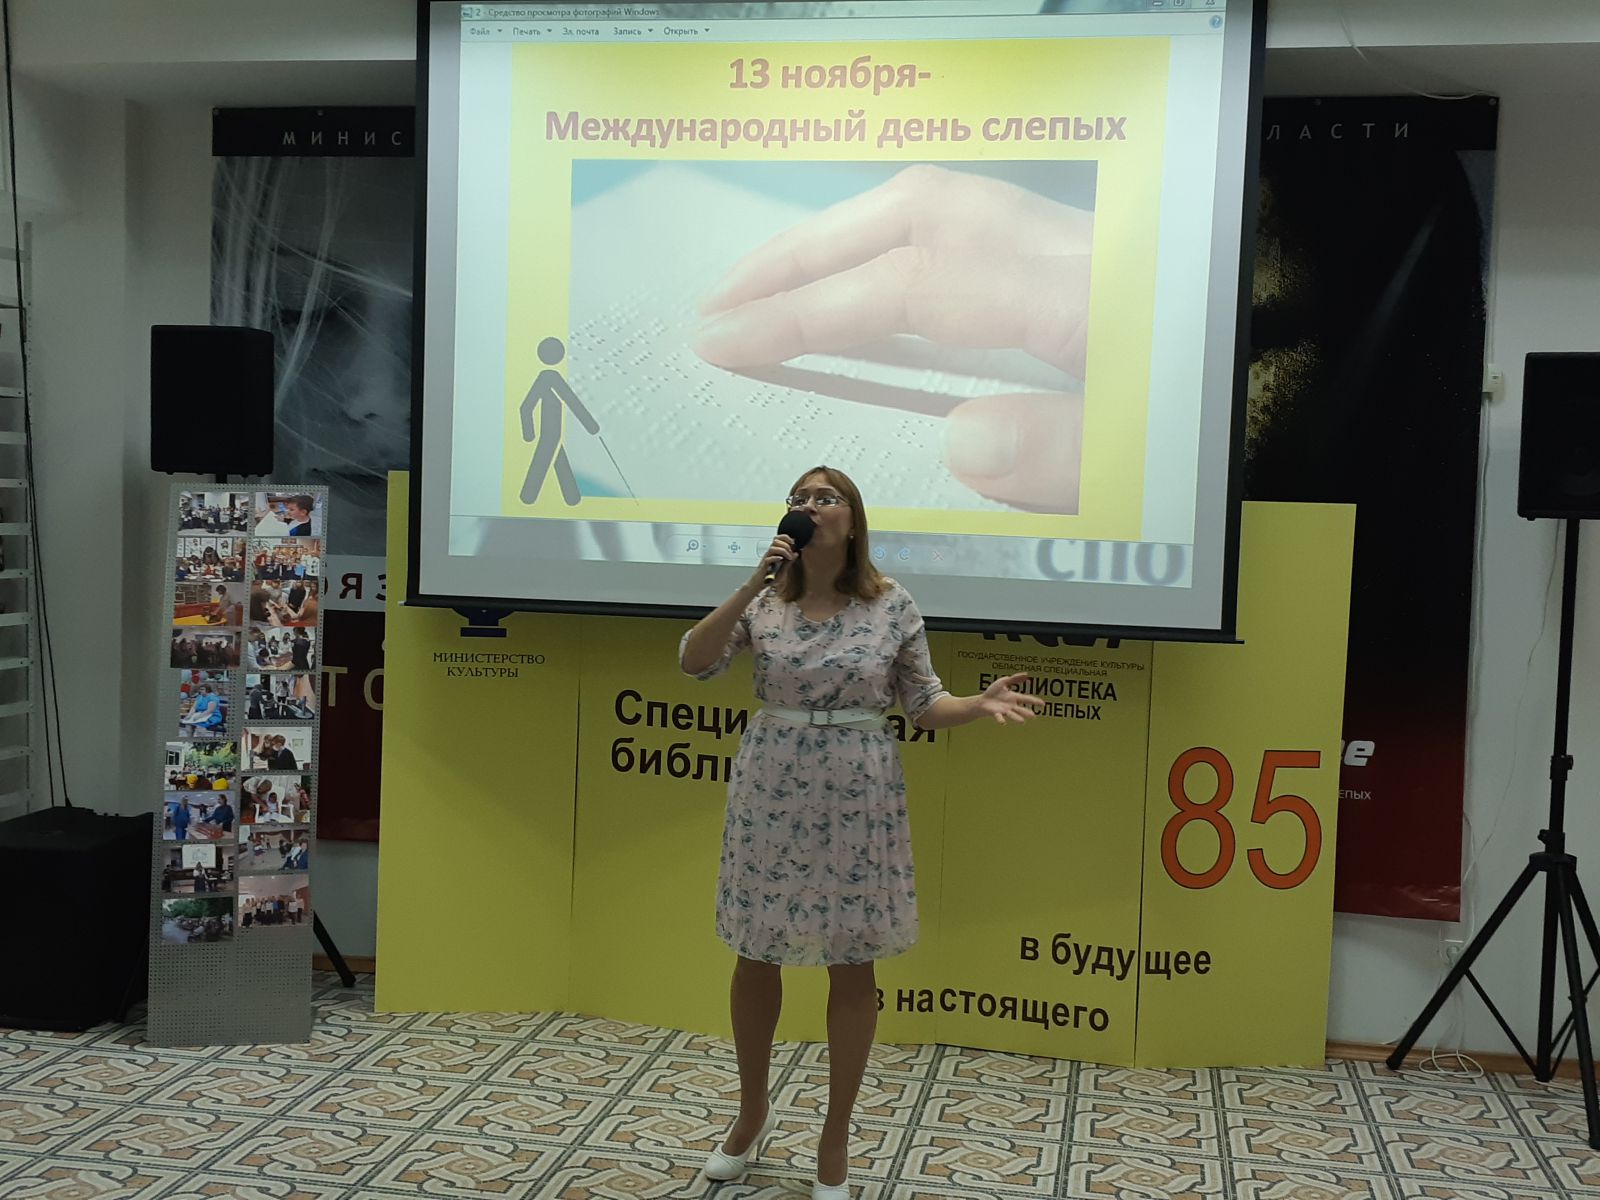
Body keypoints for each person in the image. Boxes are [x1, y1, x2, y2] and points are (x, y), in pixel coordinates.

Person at [678, 466, 1045, 1199]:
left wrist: (977, 705)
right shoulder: (766, 600)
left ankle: (834, 1142)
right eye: (799, 498)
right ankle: (750, 1116)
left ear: (852, 518)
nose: (810, 507)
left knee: (851, 959)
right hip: (773, 781)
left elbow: (924, 702)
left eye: (826, 497)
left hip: (858, 785)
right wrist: (752, 583)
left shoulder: (890, 603)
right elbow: (695, 661)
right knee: (757, 952)